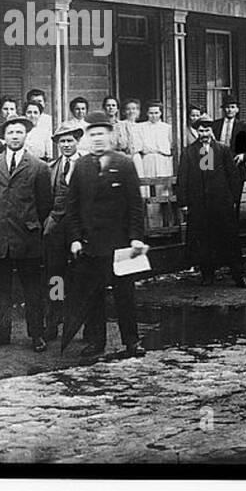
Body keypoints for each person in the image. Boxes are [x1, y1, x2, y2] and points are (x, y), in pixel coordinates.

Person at [64, 111, 148, 361]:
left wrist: (135, 237)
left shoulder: (123, 164)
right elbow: (73, 207)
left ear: (110, 136)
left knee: (125, 296)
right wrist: (76, 238)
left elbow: (135, 205)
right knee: (94, 296)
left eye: (102, 134)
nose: (98, 139)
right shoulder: (81, 166)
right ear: (87, 138)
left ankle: (132, 341)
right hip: (91, 245)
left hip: (121, 245)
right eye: (93, 134)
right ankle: (96, 342)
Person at [0, 117, 54, 352]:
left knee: (32, 288)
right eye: (10, 132)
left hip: (27, 237)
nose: (14, 136)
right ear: (3, 137)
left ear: (25, 136)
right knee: (0, 289)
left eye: (19, 132)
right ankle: (0, 334)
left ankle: (37, 335)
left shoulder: (39, 167)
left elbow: (45, 204)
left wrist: (31, 223)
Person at [177, 116, 246, 288]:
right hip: (200, 204)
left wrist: (233, 199)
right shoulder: (189, 152)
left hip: (221, 203)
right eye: (201, 130)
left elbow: (233, 176)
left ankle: (239, 277)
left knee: (230, 241)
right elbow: (183, 178)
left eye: (207, 130)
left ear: (212, 130)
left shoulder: (223, 150)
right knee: (204, 241)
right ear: (197, 132)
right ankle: (207, 275)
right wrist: (184, 203)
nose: (204, 134)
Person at [43, 120, 84, 340]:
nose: (66, 145)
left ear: (78, 141)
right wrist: (49, 221)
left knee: (80, 278)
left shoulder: (87, 165)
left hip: (80, 230)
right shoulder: (51, 167)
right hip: (56, 229)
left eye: (70, 140)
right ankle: (53, 321)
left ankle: (82, 325)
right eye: (62, 141)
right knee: (55, 277)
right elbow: (44, 198)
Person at [136, 101, 174, 230]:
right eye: (151, 113)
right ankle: (151, 227)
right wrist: (150, 150)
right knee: (149, 192)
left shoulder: (167, 127)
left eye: (156, 113)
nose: (153, 115)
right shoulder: (140, 127)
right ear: (147, 113)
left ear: (161, 113)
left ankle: (166, 226)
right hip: (147, 161)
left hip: (163, 161)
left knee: (163, 191)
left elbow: (170, 147)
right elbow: (141, 147)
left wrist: (161, 150)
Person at [212, 95, 246, 188]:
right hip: (219, 168)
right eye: (227, 107)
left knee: (235, 198)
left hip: (236, 167)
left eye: (232, 107)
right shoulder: (215, 125)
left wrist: (243, 156)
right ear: (223, 109)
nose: (229, 110)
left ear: (237, 110)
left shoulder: (242, 126)